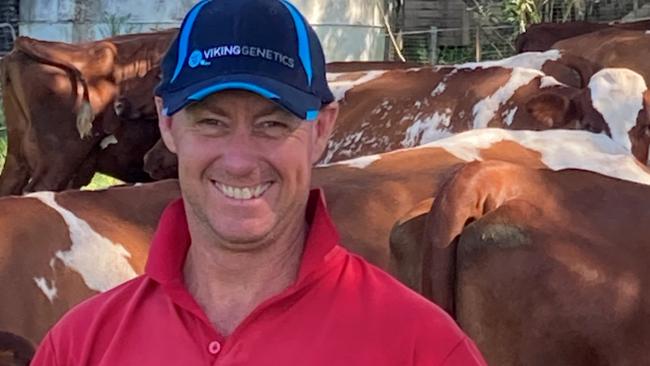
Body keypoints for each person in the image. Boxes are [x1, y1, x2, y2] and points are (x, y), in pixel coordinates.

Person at [32, 0, 487, 364]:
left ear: (322, 129)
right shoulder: (82, 345)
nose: (239, 161)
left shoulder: (418, 346)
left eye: (272, 124)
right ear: (167, 124)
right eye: (211, 122)